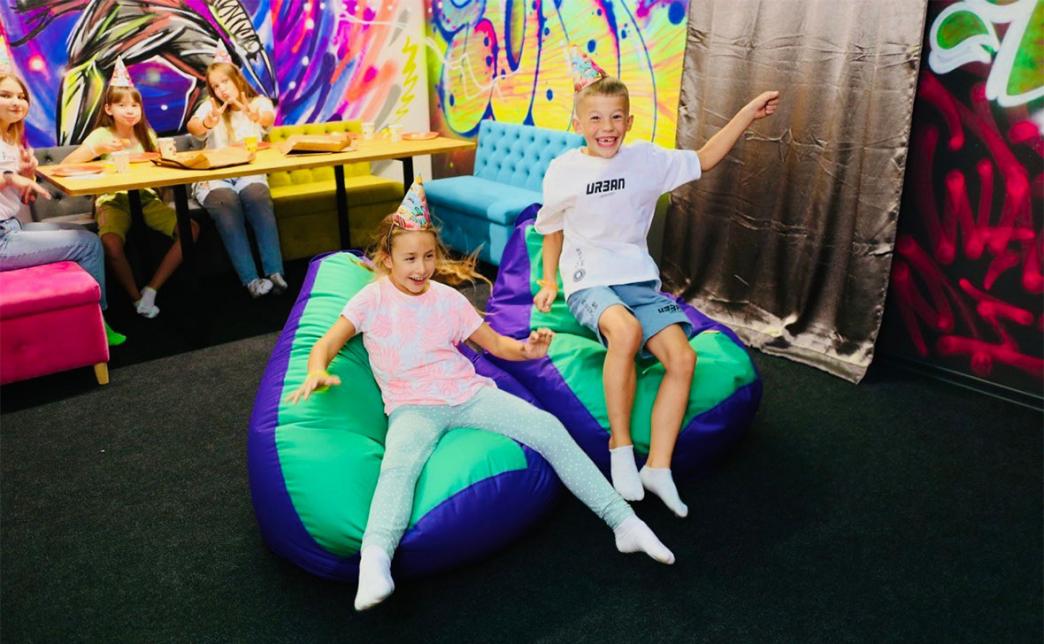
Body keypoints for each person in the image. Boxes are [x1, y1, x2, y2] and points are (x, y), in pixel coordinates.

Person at [287, 180, 675, 611]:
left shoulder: (447, 300)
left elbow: (497, 346)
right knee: (398, 466)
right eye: (410, 258)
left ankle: (623, 521)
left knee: (548, 427)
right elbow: (326, 343)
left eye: (429, 256)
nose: (421, 268)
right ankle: (374, 562)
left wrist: (528, 350)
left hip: (468, 394)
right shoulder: (371, 300)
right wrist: (317, 370)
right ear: (387, 258)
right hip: (412, 407)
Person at [532, 48, 780, 516]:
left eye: (616, 117)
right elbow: (551, 229)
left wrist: (748, 113)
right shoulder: (565, 169)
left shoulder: (646, 159)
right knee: (625, 332)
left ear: (629, 121)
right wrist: (548, 280)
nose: (606, 127)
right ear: (578, 122)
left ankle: (658, 468)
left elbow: (704, 158)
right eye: (595, 118)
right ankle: (620, 447)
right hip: (588, 280)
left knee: (683, 358)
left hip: (637, 280)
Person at [62, 57, 199, 318]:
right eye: (122, 105)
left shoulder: (146, 134)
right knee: (111, 244)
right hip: (112, 200)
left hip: (146, 198)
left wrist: (166, 156)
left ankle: (151, 290)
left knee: (190, 229)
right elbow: (66, 165)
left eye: (134, 105)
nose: (130, 111)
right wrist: (96, 150)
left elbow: (160, 168)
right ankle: (136, 299)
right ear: (109, 108)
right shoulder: (101, 135)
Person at [0, 69, 126, 345]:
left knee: (82, 233)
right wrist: (11, 177)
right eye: (5, 95)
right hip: (2, 240)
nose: (16, 102)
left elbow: (25, 199)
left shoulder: (10, 140)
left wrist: (27, 174)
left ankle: (83, 315)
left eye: (21, 96)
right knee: (88, 244)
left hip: (12, 227)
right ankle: (98, 323)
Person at [186, 42, 286, 298]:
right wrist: (209, 121)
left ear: (237, 80)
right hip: (214, 177)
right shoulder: (210, 107)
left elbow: (267, 118)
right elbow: (193, 127)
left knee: (257, 197)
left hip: (248, 173)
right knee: (226, 202)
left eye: (225, 82)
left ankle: (275, 272)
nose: (221, 89)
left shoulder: (257, 103)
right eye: (216, 86)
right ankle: (251, 280)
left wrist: (251, 112)